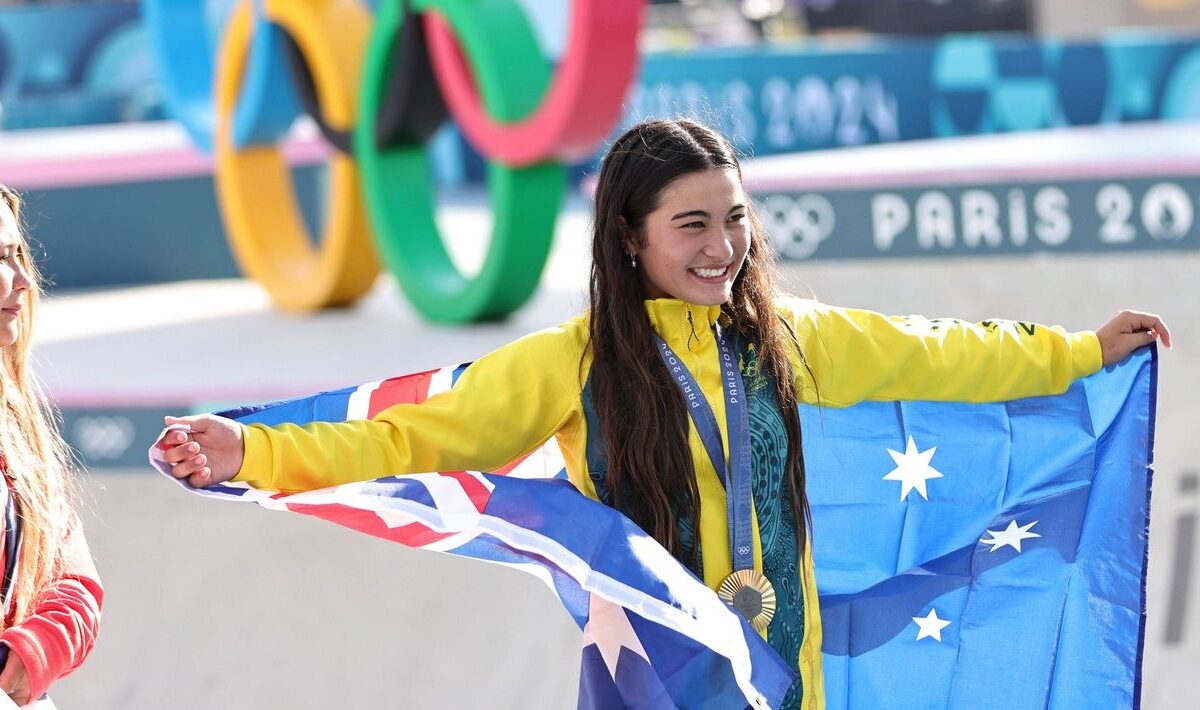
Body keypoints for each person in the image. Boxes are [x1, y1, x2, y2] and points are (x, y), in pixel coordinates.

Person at [155, 119, 1170, 708]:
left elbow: (934, 350)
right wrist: (256, 446)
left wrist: (1080, 351)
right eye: (691, 224)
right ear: (630, 239)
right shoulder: (572, 362)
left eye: (734, 218)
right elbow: (405, 438)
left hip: (780, 680)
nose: (722, 245)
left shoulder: (783, 337)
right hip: (650, 681)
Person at [0, 185, 103, 706]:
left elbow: (75, 584)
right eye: (0, 257)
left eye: (20, 255)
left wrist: (32, 652)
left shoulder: (17, 425)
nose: (22, 280)